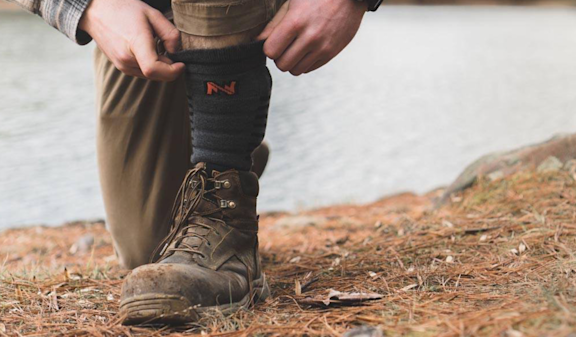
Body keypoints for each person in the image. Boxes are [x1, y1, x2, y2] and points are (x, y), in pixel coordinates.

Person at [10, 0, 382, 325]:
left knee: (190, 260)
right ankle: (226, 131)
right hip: (149, 14)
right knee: (151, 246)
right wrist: (91, 7)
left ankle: (226, 179)